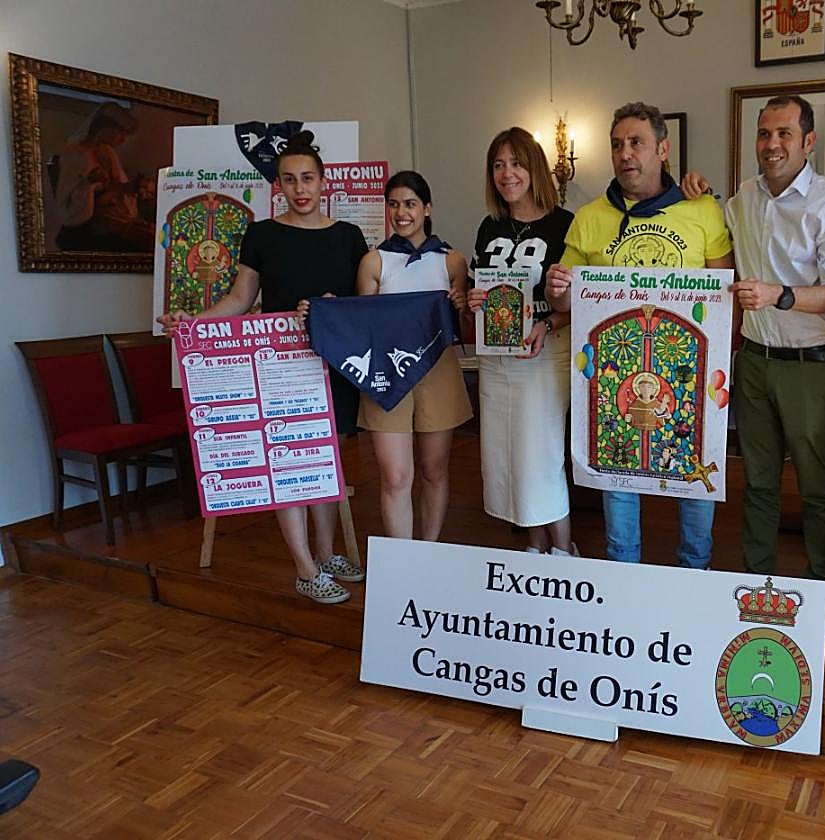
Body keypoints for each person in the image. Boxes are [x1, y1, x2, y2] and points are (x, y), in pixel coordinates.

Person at [683, 94, 825, 641]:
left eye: (785, 134)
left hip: (810, 366)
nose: (772, 145)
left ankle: (821, 588)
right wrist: (698, 192)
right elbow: (711, 227)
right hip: (754, 362)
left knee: (815, 486)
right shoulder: (742, 198)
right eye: (765, 134)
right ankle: (755, 582)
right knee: (757, 482)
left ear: (809, 142)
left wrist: (780, 295)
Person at [159, 131, 367, 605]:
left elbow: (364, 304)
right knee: (288, 466)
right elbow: (238, 299)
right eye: (290, 180)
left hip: (333, 364)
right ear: (279, 185)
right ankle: (304, 567)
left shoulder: (349, 237)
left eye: (308, 178)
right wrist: (192, 323)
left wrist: (339, 308)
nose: (300, 189)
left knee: (324, 462)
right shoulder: (263, 234)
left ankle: (327, 551)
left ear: (323, 180)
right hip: (280, 367)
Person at [546, 101, 734, 570]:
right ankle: (622, 574)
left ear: (663, 150)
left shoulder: (702, 210)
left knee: (695, 470)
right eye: (617, 145)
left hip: (686, 363)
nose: (625, 154)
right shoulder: (588, 217)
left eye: (637, 143)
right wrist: (558, 292)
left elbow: (724, 291)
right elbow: (569, 305)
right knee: (617, 470)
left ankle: (695, 571)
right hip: (615, 367)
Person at [467, 128, 575, 555]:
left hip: (543, 353)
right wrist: (475, 300)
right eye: (498, 165)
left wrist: (546, 325)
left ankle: (564, 550)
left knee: (540, 455)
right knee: (506, 457)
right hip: (496, 356)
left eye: (515, 163)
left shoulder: (564, 224)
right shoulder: (489, 225)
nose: (507, 173)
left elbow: (578, 304)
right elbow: (482, 291)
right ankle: (534, 547)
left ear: (534, 167)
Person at [357, 171, 473, 542]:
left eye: (410, 204)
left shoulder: (452, 261)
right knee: (395, 476)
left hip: (438, 370)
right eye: (394, 204)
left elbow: (469, 320)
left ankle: (428, 551)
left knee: (434, 470)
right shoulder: (374, 261)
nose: (401, 213)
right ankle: (401, 560)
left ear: (427, 208)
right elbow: (363, 322)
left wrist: (462, 304)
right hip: (386, 374)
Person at [54, 101, 154, 252]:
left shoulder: (107, 152)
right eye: (121, 132)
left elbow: (115, 187)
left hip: (111, 219)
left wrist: (136, 185)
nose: (123, 138)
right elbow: (71, 201)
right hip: (87, 225)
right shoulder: (75, 152)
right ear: (104, 127)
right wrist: (89, 184)